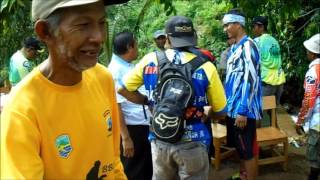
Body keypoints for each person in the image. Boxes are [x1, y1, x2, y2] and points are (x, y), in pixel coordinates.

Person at [1, 0, 129, 179]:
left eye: (102, 23)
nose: (99, 37)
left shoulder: (103, 79)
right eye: (83, 25)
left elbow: (113, 163)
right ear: (45, 32)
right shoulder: (22, 110)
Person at [118, 15, 227, 179]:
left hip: (160, 139)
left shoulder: (150, 60)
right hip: (193, 141)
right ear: (192, 37)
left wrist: (148, 101)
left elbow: (123, 89)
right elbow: (221, 112)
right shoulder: (206, 66)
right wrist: (206, 114)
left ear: (168, 38)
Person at [222, 9, 262, 180]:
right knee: (240, 148)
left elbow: (251, 80)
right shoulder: (234, 48)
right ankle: (243, 175)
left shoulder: (249, 46)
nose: (225, 29)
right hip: (233, 109)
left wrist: (242, 110)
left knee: (247, 152)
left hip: (242, 111)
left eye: (227, 25)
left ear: (238, 24)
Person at [108, 31, 152, 180]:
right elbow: (116, 106)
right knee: (133, 170)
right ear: (129, 47)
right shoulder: (115, 70)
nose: (138, 48)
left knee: (144, 167)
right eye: (136, 45)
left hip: (141, 125)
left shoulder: (128, 66)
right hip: (132, 129)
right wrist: (126, 137)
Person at [296, 33, 320, 180]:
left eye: (308, 50)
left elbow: (309, 100)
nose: (306, 53)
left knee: (314, 152)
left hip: (318, 121)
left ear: (313, 53)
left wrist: (300, 121)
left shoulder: (313, 72)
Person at [252, 16, 286, 106]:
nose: (253, 29)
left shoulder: (257, 41)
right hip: (279, 80)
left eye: (254, 26)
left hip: (267, 81)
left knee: (260, 112)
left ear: (261, 27)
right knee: (273, 112)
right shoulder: (274, 40)